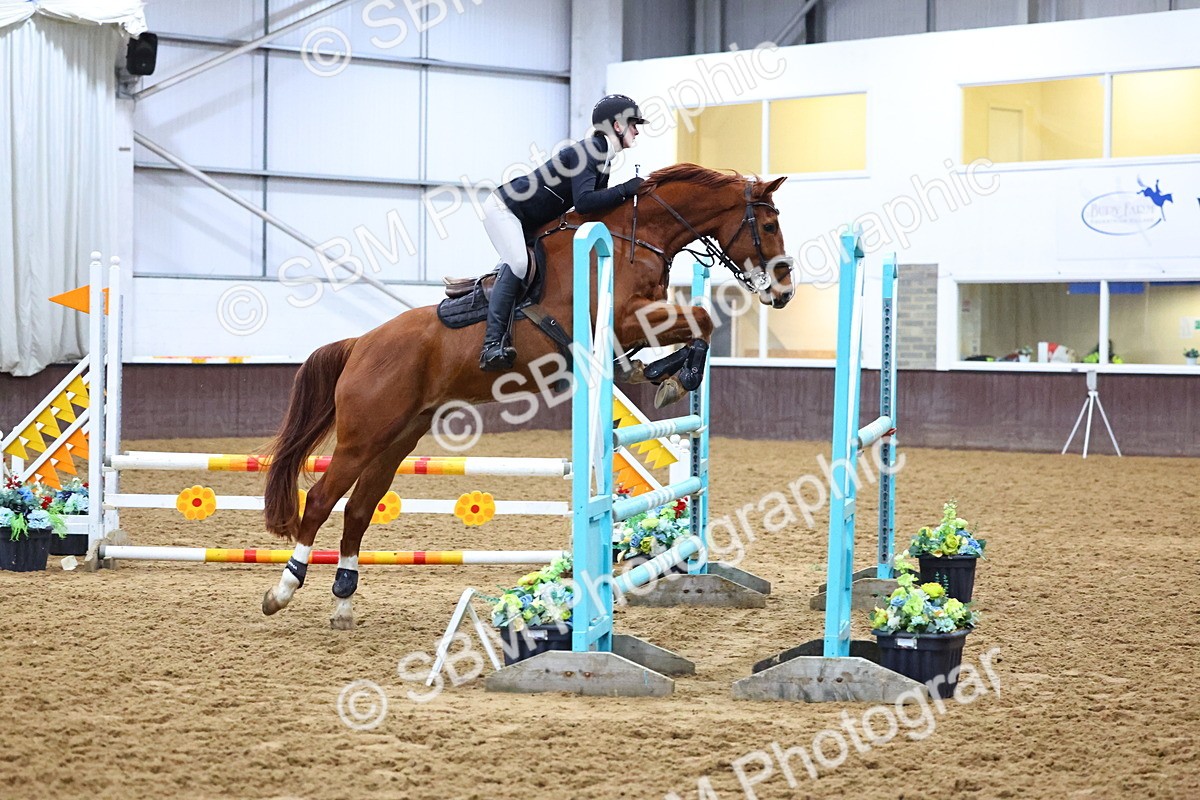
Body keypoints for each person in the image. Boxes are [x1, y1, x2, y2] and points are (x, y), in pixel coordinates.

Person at [478, 93, 647, 371]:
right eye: (633, 124)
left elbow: (592, 209)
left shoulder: (604, 157)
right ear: (617, 125)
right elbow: (584, 202)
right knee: (519, 263)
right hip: (505, 209)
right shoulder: (590, 152)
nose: (637, 130)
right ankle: (491, 344)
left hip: (531, 219)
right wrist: (627, 189)